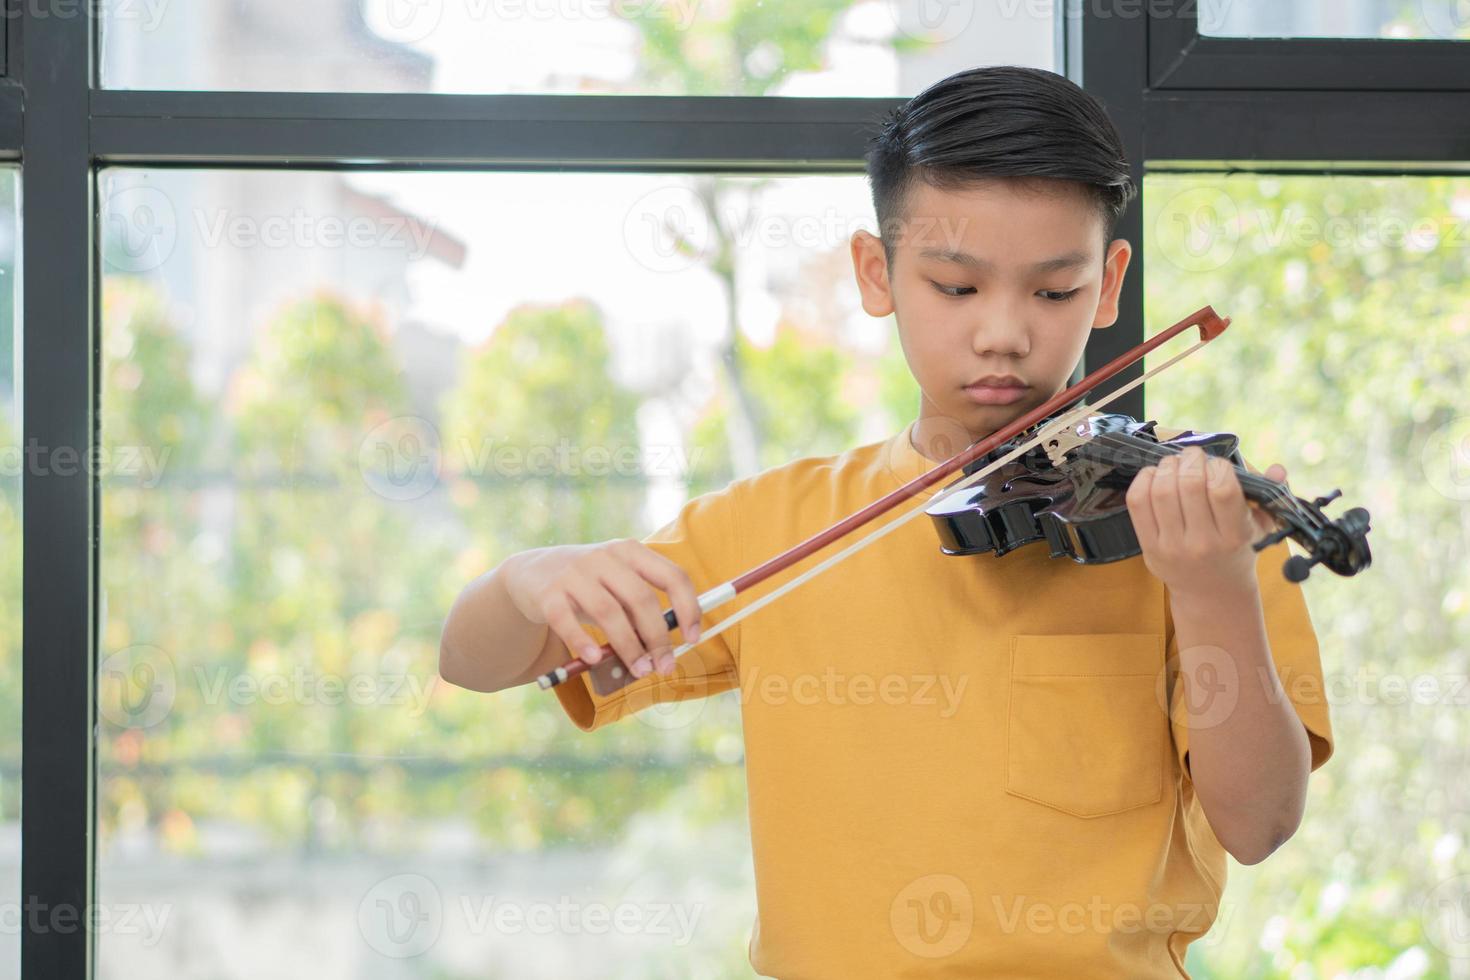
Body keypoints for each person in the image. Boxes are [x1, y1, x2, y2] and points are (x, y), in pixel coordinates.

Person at [438, 65, 1333, 978]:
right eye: (956, 288)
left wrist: (1215, 592)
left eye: (1053, 293)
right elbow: (474, 662)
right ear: (879, 274)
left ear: (1108, 287)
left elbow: (1258, 825)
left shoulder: (1198, 523)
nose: (1004, 334)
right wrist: (526, 578)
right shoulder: (775, 526)